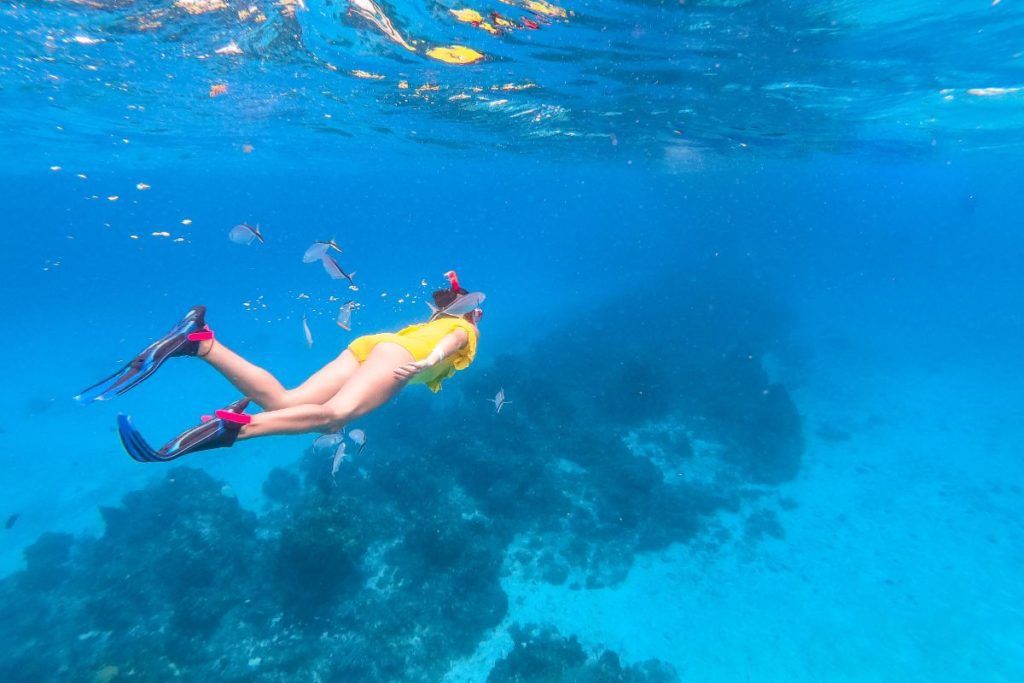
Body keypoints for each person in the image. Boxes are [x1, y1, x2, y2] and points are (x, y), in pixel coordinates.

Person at [78, 273, 483, 462]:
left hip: (372, 346)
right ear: (471, 312)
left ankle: (200, 343)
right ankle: (235, 428)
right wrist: (428, 360)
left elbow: (431, 338)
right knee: (335, 414)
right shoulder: (464, 328)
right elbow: (454, 342)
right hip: (401, 358)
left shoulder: (430, 321)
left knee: (285, 402)